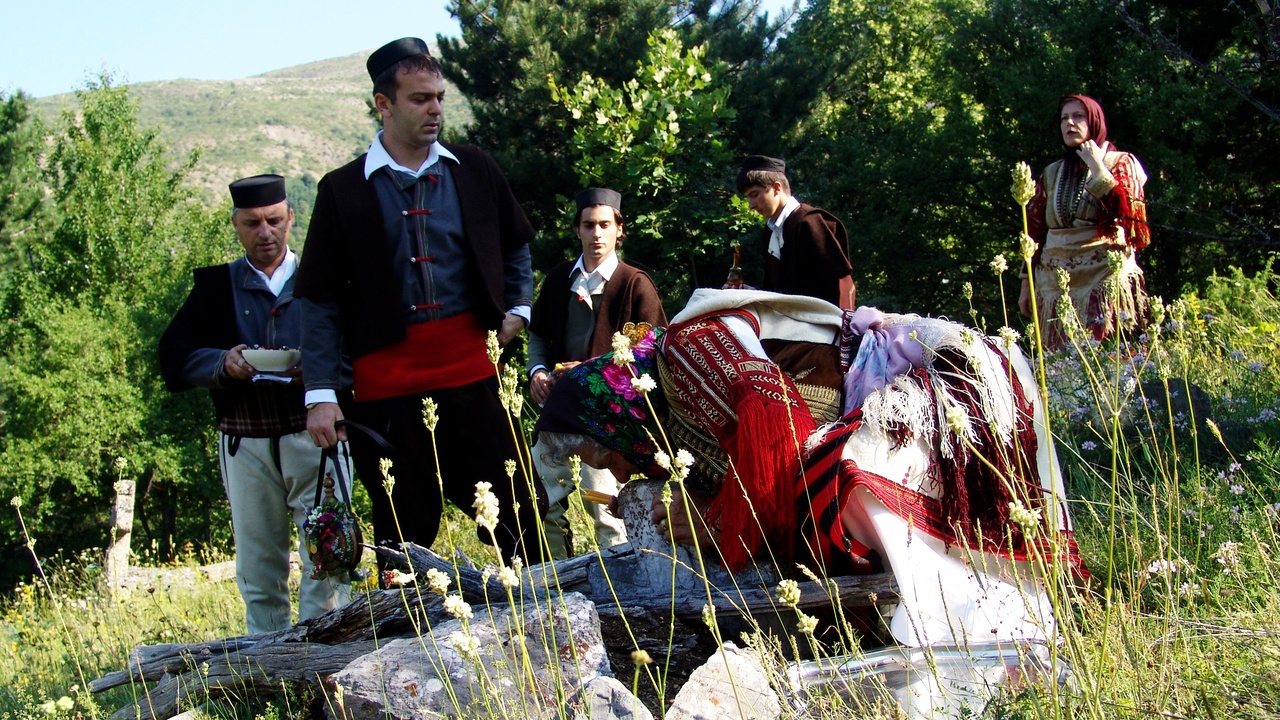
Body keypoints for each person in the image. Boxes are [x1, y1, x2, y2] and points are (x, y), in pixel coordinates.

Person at [294, 38, 543, 565]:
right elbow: (316, 301)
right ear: (383, 104)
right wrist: (321, 392)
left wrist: (518, 310)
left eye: (440, 97)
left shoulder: (473, 169)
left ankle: (539, 621)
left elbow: (515, 244)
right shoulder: (343, 190)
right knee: (401, 528)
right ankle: (405, 640)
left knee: (517, 511)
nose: (435, 109)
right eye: (419, 99)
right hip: (384, 391)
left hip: (473, 374)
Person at [159, 174, 352, 633]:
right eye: (252, 223)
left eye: (273, 220)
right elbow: (174, 354)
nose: (265, 232)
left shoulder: (324, 282)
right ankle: (269, 668)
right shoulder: (214, 287)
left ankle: (325, 662)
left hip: (317, 437)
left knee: (329, 557)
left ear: (290, 219)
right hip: (244, 444)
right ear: (236, 225)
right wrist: (223, 363)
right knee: (259, 563)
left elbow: (362, 352)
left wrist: (322, 373)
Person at [527, 188, 667, 557]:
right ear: (577, 230)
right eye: (588, 225)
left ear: (620, 230)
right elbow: (538, 334)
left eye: (605, 224)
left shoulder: (636, 283)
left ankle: (620, 595)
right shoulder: (559, 279)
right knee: (543, 502)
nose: (596, 234)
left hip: (603, 422)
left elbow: (653, 352)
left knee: (605, 512)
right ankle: (555, 580)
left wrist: (591, 370)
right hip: (557, 411)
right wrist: (537, 372)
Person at [1018, 94, 1151, 348]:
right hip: (1054, 284)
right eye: (1064, 118)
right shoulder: (1052, 172)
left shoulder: (1121, 162)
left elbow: (1134, 223)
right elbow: (1034, 233)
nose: (1070, 123)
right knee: (1061, 366)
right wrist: (1026, 285)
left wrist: (1097, 167)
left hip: (1103, 279)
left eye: (1078, 116)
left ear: (1094, 121)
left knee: (1106, 356)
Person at [736, 155, 856, 309]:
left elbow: (843, 283)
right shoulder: (770, 233)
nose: (751, 205)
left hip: (821, 326)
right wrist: (748, 293)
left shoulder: (810, 222)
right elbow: (779, 293)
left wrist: (842, 328)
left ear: (776, 188)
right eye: (748, 198)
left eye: (754, 195)